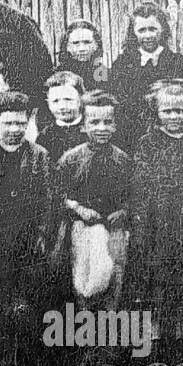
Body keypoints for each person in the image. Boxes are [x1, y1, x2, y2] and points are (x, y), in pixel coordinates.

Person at [124, 82, 183, 360]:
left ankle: (180, 333)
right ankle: (155, 335)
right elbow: (140, 183)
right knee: (154, 279)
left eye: (180, 111)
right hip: (156, 223)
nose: (174, 117)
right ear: (157, 112)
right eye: (168, 111)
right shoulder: (148, 142)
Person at [0, 92, 54, 366]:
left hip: (28, 236)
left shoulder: (38, 155)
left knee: (29, 296)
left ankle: (30, 356)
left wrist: (42, 234)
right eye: (8, 123)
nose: (14, 129)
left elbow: (46, 198)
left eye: (20, 123)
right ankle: (3, 357)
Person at [50, 91, 131, 317]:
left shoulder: (123, 160)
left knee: (114, 277)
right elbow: (57, 194)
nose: (101, 128)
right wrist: (78, 208)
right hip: (82, 229)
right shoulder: (71, 159)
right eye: (94, 122)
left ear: (115, 125)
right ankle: (87, 332)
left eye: (107, 122)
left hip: (115, 229)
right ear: (83, 125)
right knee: (84, 281)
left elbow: (133, 194)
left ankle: (109, 332)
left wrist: (123, 210)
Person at [109, 3, 183, 153]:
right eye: (142, 30)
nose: (148, 35)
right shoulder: (123, 62)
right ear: (133, 32)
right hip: (131, 134)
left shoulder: (176, 61)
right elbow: (118, 101)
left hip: (167, 130)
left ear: (162, 29)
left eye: (153, 29)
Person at [36, 70, 87, 164]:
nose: (62, 107)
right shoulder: (44, 137)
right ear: (48, 103)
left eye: (68, 99)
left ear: (81, 99)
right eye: (55, 101)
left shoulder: (91, 132)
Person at [55, 20, 109, 97]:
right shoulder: (57, 76)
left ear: (96, 45)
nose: (82, 48)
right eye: (76, 43)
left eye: (87, 42)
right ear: (67, 47)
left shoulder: (105, 75)